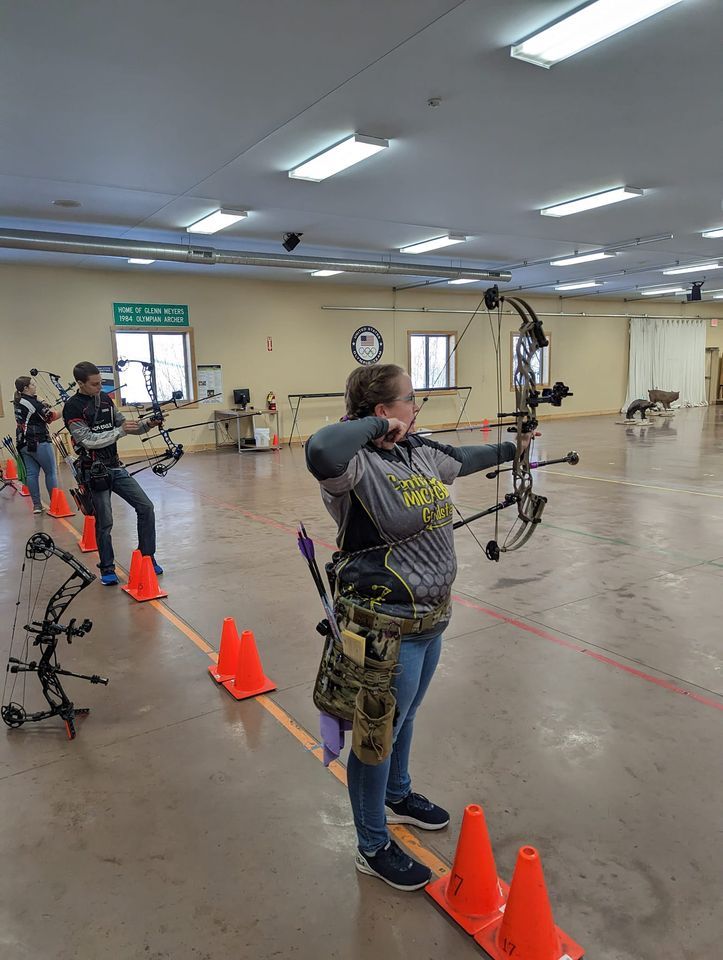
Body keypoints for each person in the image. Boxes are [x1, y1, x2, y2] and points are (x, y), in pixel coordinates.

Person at [305, 363, 528, 892]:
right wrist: (372, 429)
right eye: (410, 400)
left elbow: (463, 459)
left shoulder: (417, 451)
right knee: (374, 736)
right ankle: (371, 844)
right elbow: (320, 450)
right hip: (384, 623)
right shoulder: (354, 465)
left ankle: (397, 795)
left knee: (403, 718)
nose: (417, 407)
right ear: (383, 413)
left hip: (431, 619)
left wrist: (509, 448)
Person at [62, 361, 163, 586]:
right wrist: (119, 431)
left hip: (115, 466)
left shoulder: (105, 399)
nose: (100, 387)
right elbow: (88, 440)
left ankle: (147, 557)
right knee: (105, 521)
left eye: (101, 383)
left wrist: (149, 424)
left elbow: (125, 425)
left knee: (145, 506)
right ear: (80, 383)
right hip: (93, 471)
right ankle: (107, 567)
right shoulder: (72, 407)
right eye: (94, 384)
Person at [13, 375, 61, 514]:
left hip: (23, 444)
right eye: (33, 384)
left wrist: (40, 399)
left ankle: (37, 506)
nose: (35, 386)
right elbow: (51, 416)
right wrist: (65, 410)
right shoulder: (32, 403)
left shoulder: (18, 401)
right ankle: (56, 503)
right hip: (39, 441)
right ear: (26, 388)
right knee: (50, 472)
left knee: (32, 474)